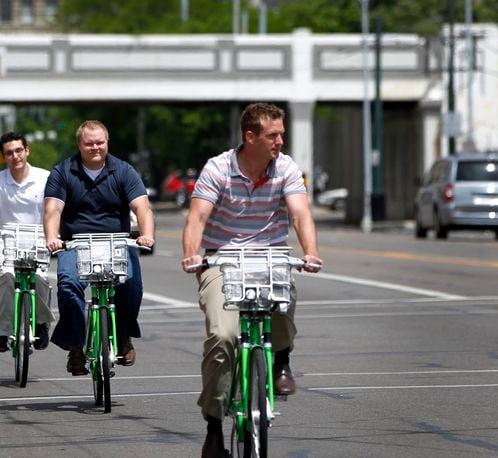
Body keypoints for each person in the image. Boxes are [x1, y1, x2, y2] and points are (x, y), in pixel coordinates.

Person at [180, 103, 323, 458]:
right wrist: (193, 254)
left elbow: (300, 212)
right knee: (222, 336)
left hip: (270, 258)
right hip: (222, 260)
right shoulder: (218, 168)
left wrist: (311, 251)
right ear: (250, 137)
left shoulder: (286, 168)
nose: (280, 141)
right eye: (273, 135)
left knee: (284, 301)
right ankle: (213, 427)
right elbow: (197, 219)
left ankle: (281, 360)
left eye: (282, 134)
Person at [44, 120, 155, 376]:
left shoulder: (123, 170)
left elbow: (142, 207)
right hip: (76, 243)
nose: (95, 147)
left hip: (117, 242)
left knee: (131, 284)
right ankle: (75, 346)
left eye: (100, 142)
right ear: (79, 145)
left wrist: (147, 234)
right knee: (68, 284)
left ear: (107, 142)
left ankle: (124, 335)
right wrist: (52, 236)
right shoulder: (63, 171)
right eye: (89, 143)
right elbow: (52, 209)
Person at [0, 131, 55, 353]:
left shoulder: (45, 177)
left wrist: (56, 233)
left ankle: (40, 323)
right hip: (7, 237)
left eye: (19, 150)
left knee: (39, 279)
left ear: (27, 151)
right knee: (7, 276)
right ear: (3, 157)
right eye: (9, 153)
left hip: (38, 238)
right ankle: (2, 333)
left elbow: (55, 208)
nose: (15, 156)